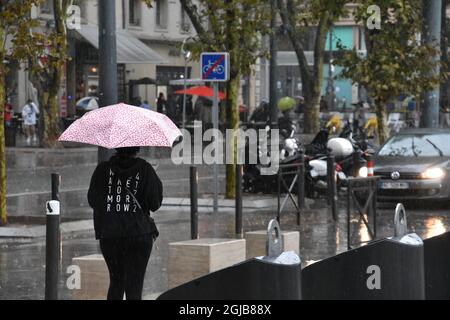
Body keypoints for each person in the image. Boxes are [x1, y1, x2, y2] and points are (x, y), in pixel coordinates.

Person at [87, 147, 163, 300]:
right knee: (134, 286)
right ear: (137, 148)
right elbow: (154, 202)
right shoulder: (145, 169)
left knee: (116, 282)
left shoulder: (102, 169)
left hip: (110, 235)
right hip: (138, 233)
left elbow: (93, 200)